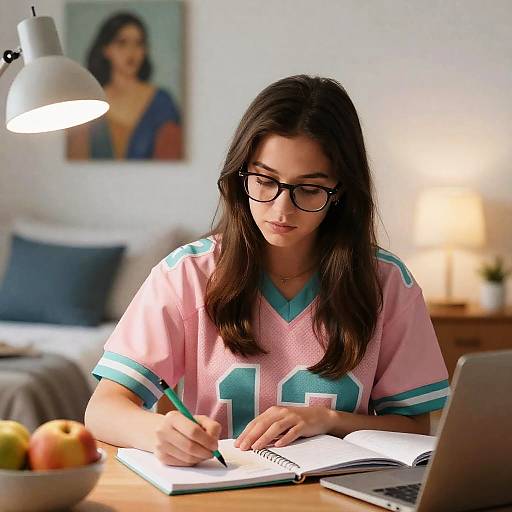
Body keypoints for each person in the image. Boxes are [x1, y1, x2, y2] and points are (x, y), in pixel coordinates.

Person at [85, 75, 449, 467]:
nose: (281, 209)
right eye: (264, 181)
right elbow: (103, 409)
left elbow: (414, 427)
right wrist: (159, 433)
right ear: (240, 176)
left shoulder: (388, 284)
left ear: (340, 193)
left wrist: (327, 421)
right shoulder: (185, 275)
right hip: (216, 497)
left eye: (309, 189)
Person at [67, 12, 182, 160]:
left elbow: (171, 160)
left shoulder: (162, 103)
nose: (131, 52)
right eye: (122, 43)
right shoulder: (88, 104)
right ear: (106, 49)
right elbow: (77, 159)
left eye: (139, 44)